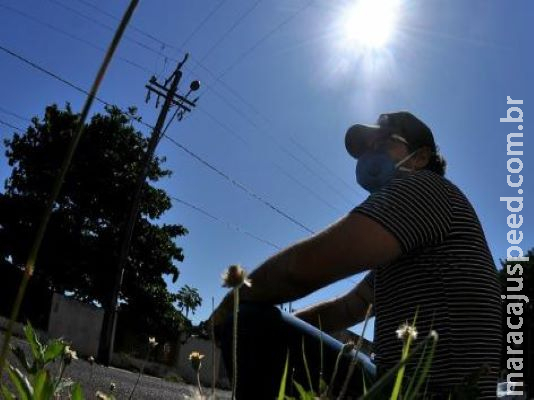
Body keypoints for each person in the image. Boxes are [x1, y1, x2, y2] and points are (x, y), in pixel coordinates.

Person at [211, 111, 502, 399]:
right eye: (368, 148)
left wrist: (234, 302)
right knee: (265, 328)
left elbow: (300, 269)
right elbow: (350, 307)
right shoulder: (409, 247)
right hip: (398, 383)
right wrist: (289, 327)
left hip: (435, 393)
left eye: (385, 142)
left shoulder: (426, 189)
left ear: (420, 157)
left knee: (251, 321)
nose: (371, 154)